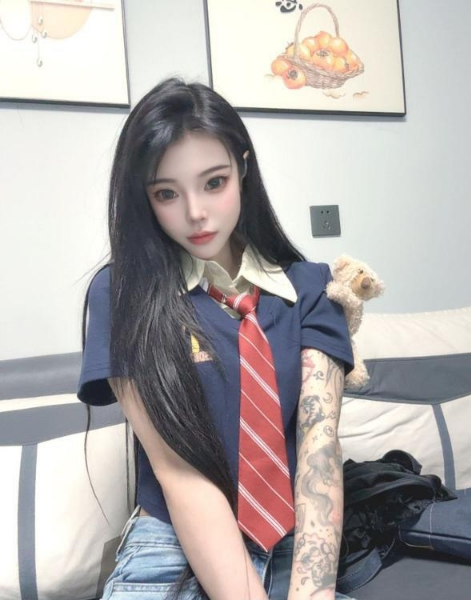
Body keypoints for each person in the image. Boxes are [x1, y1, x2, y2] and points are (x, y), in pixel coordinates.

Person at [77, 77, 357, 600]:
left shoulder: (312, 288)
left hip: (296, 545)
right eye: (166, 193)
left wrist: (312, 591)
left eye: (214, 182)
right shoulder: (122, 294)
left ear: (243, 169)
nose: (195, 213)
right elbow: (178, 472)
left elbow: (320, 447)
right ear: (144, 197)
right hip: (172, 543)